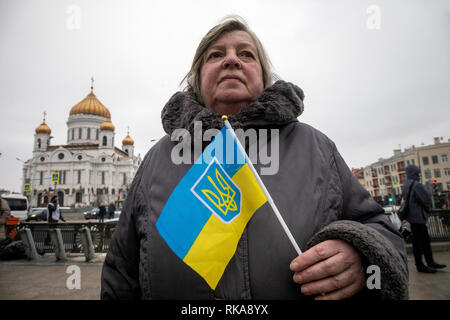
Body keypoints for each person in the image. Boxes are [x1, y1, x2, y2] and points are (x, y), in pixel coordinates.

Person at [101, 17, 408, 300]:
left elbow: (384, 232)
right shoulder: (159, 157)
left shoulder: (316, 147)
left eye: (246, 54)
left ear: (263, 76)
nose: (231, 59)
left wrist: (359, 253)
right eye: (216, 55)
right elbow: (120, 273)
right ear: (197, 78)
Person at [401, 165, 446, 273]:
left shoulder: (405, 185)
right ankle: (424, 264)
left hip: (411, 217)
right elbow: (424, 199)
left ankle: (426, 263)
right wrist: (428, 209)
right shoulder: (416, 185)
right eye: (417, 173)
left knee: (419, 241)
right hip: (419, 217)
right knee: (423, 241)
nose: (419, 175)